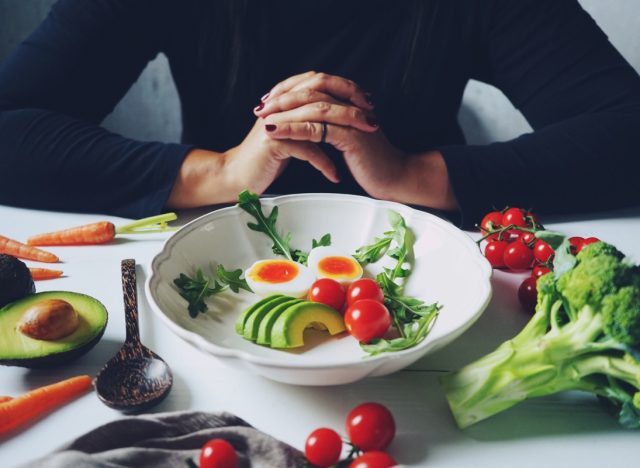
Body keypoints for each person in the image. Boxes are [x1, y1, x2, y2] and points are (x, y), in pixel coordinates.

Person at [0, 0, 639, 229]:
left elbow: (628, 131)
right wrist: (220, 172)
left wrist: (413, 174)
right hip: (213, 252)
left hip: (438, 248)